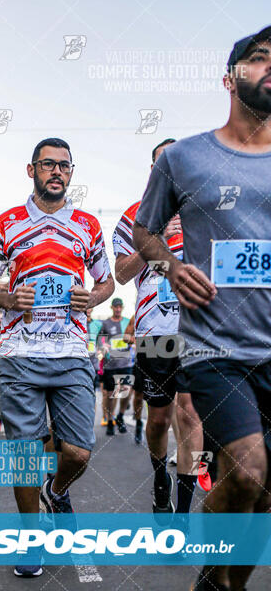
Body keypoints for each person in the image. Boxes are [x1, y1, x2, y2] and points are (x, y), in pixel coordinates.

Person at [133, 26, 271, 591]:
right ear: (230, 77)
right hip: (213, 348)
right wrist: (169, 264)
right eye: (260, 59)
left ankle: (221, 584)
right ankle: (220, 581)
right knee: (244, 471)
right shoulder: (184, 157)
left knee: (263, 490)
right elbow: (144, 232)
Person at [0, 137, 114, 577]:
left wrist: (91, 295)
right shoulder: (6, 224)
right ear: (31, 170)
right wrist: (7, 296)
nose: (57, 172)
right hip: (19, 353)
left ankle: (56, 490)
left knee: (77, 452)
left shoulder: (88, 225)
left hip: (71, 350)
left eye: (64, 166)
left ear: (71, 173)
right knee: (24, 451)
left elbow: (107, 283)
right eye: (48, 164)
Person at [114, 139, 203, 520]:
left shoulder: (206, 210)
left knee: (189, 414)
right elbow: (120, 273)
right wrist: (155, 239)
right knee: (159, 420)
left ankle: (182, 513)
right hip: (156, 333)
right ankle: (158, 478)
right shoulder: (135, 215)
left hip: (198, 330)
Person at [98, 298, 133, 436]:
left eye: (120, 307)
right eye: (115, 307)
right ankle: (111, 420)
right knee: (112, 395)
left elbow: (132, 336)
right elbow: (100, 341)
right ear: (111, 308)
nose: (118, 309)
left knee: (126, 391)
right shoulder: (106, 323)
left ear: (122, 308)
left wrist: (131, 342)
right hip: (111, 365)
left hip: (125, 362)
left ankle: (120, 416)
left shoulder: (127, 322)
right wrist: (103, 346)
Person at [123, 315, 144, 444]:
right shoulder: (136, 315)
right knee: (138, 397)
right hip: (142, 360)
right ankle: (138, 423)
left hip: (166, 359)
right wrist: (135, 340)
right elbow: (125, 337)